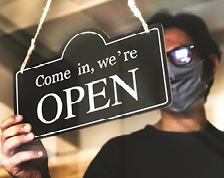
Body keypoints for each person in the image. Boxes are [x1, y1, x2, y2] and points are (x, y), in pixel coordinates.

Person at [1, 11, 223, 178]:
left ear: (211, 65)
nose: (167, 70)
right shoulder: (118, 155)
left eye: (180, 55)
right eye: (156, 59)